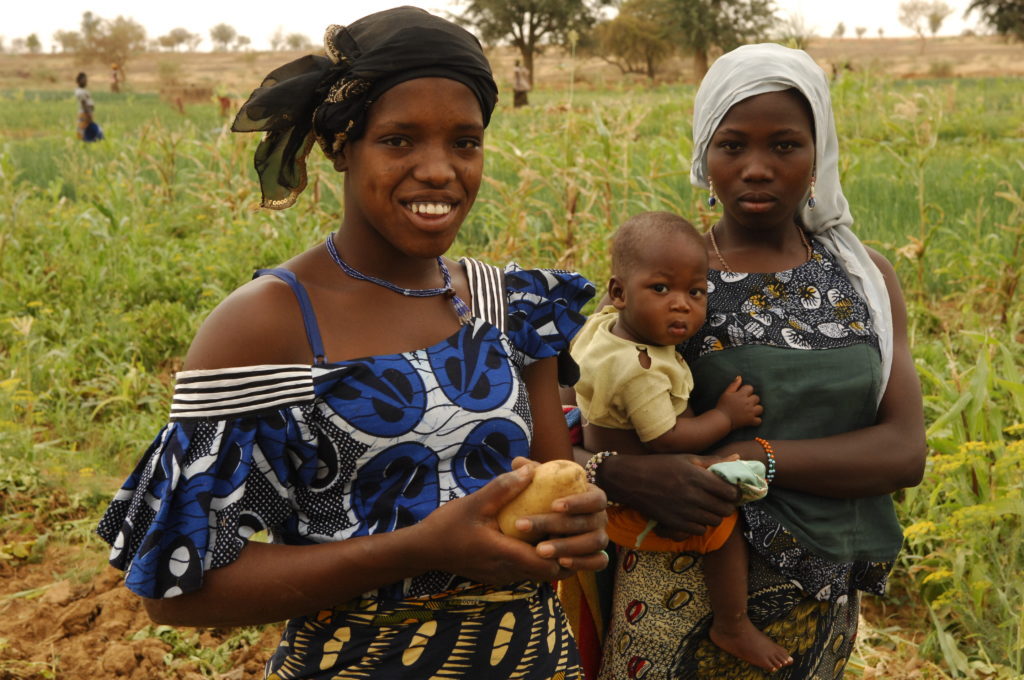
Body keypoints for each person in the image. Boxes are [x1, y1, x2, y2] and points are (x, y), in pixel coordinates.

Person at [95, 8, 608, 679]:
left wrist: (577, 525)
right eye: (398, 141)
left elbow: (554, 490)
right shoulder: (269, 324)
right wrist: (419, 550)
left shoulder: (508, 306)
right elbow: (175, 591)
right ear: (341, 148)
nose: (438, 170)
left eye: (465, 142)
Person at [582, 43, 927, 679]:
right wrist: (611, 471)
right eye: (733, 145)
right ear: (704, 155)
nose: (757, 168)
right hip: (678, 582)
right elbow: (582, 417)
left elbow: (904, 453)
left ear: (818, 153)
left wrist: (753, 458)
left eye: (785, 146)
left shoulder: (863, 278)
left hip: (820, 591)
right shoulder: (671, 277)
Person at [570, 211, 790, 673]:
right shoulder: (641, 370)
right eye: (661, 289)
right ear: (618, 292)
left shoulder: (602, 328)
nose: (681, 306)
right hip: (645, 493)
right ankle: (731, 622)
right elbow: (668, 439)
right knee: (725, 525)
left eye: (696, 292)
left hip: (608, 467)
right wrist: (724, 417)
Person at [74, 72, 103, 142]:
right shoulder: (80, 92)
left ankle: (87, 141)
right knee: (84, 129)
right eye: (83, 80)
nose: (85, 81)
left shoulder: (83, 90)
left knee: (86, 128)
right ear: (78, 82)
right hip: (85, 113)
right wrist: (88, 113)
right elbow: (83, 103)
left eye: (86, 79)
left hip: (87, 112)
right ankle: (86, 141)